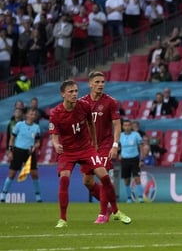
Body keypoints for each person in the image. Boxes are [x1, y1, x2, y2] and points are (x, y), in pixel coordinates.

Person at [49, 80, 126, 228]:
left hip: (86, 149)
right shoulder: (55, 113)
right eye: (70, 92)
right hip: (68, 151)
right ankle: (63, 219)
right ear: (63, 94)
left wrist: (95, 144)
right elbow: (54, 134)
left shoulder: (84, 106)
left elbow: (91, 124)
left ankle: (115, 211)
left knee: (104, 176)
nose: (74, 94)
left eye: (76, 91)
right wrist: (56, 144)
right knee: (66, 180)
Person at [80, 71, 129, 224]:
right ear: (90, 84)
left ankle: (102, 214)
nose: (100, 84)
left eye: (102, 82)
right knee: (87, 181)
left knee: (103, 177)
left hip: (105, 144)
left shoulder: (110, 102)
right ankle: (108, 206)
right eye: (97, 82)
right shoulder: (82, 103)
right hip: (88, 146)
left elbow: (117, 125)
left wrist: (115, 145)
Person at [1, 109, 42, 203]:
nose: (33, 115)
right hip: (18, 151)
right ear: (26, 115)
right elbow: (12, 138)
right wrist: (10, 151)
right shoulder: (19, 125)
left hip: (30, 153)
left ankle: (38, 196)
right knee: (12, 174)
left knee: (34, 174)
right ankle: (3, 194)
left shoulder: (36, 127)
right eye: (31, 113)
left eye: (34, 114)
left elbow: (38, 142)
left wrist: (35, 146)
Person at [119, 119, 145, 203]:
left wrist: (141, 160)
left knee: (137, 178)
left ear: (131, 126)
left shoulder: (136, 135)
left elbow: (141, 148)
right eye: (125, 125)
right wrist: (119, 153)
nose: (127, 127)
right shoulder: (120, 136)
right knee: (126, 180)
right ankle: (129, 198)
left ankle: (140, 198)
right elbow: (117, 147)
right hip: (125, 160)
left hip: (134, 159)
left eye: (128, 125)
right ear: (123, 127)